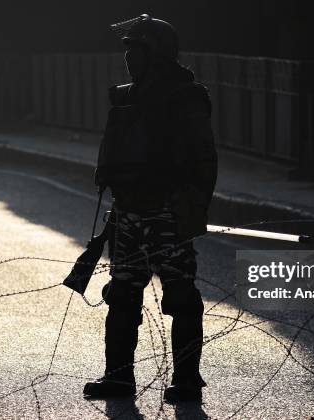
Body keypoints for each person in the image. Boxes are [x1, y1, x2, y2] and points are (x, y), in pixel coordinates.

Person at [82, 14, 218, 403]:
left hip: (167, 213)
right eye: (127, 50)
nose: (129, 58)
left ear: (156, 53)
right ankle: (119, 378)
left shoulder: (184, 96)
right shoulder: (128, 96)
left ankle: (187, 382)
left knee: (180, 296)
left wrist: (191, 210)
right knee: (122, 294)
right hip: (127, 212)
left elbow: (203, 160)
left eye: (136, 49)